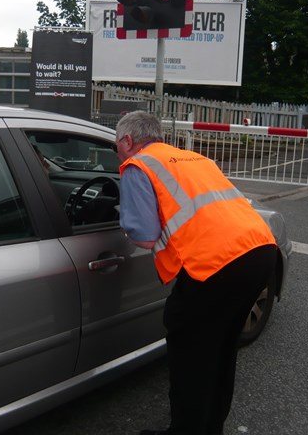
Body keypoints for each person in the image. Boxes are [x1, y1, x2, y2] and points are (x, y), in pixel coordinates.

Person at [115, 111, 278, 435]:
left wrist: (124, 214)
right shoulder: (191, 158)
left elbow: (145, 236)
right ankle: (210, 427)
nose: (117, 153)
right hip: (261, 249)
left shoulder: (138, 166)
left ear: (128, 141)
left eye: (115, 146)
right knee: (220, 349)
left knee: (190, 351)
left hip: (216, 266)